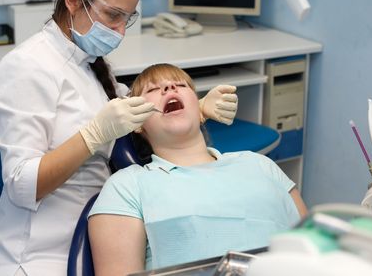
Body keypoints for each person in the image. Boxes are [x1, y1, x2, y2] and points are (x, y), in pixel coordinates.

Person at [0, 0, 238, 276]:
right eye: (113, 15)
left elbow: (138, 115)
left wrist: (196, 109)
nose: (119, 32)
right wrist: (91, 137)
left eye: (126, 19)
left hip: (104, 228)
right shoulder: (26, 68)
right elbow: (22, 186)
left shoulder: (89, 63)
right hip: (39, 252)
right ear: (73, 0)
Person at [88, 63, 308, 275]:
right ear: (138, 123)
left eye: (181, 85)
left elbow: (316, 246)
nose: (169, 88)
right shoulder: (126, 187)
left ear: (201, 109)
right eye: (154, 89)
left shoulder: (259, 164)